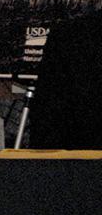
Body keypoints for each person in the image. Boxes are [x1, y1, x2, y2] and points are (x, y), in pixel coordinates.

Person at [30, 12, 102, 149]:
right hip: (76, 150)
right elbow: (48, 104)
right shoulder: (68, 34)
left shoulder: (68, 33)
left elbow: (47, 107)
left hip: (73, 151)